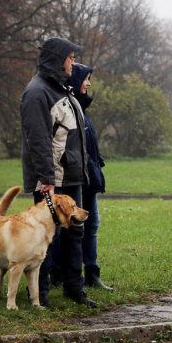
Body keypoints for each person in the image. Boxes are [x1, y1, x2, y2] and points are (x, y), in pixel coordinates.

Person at [20, 37, 97, 308]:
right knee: (44, 237)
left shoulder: (62, 88)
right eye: (70, 57)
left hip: (73, 176)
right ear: (57, 58)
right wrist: (47, 181)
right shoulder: (37, 92)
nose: (73, 63)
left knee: (76, 232)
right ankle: (39, 295)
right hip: (52, 181)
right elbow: (38, 141)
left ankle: (75, 290)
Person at [68, 63, 113, 291]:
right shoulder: (72, 109)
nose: (89, 83)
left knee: (92, 224)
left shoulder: (82, 110)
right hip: (78, 179)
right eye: (85, 79)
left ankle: (92, 273)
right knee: (77, 227)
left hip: (90, 179)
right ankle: (68, 275)